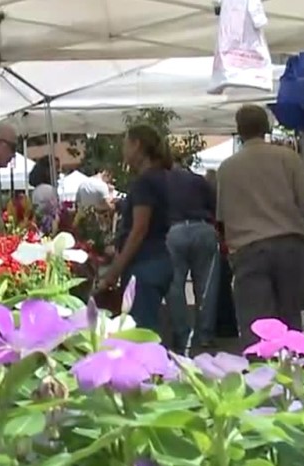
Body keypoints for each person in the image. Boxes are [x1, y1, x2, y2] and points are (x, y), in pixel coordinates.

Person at [217, 105, 304, 347]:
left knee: (256, 324)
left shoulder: (228, 167)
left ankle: (260, 375)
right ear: (267, 127)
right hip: (289, 244)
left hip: (249, 248)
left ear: (239, 130)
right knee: (290, 318)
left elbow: (223, 215)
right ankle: (292, 370)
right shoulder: (288, 158)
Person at [92, 125, 173, 333]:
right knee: (147, 327)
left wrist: (114, 271)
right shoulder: (163, 176)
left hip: (144, 263)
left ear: (137, 145)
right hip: (160, 259)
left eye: (125, 144)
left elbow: (139, 229)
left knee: (140, 332)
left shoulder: (144, 182)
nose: (123, 150)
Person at [164, 153, 220, 353]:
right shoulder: (199, 181)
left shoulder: (163, 182)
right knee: (206, 286)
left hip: (174, 231)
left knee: (175, 286)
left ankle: (182, 334)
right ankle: (205, 335)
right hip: (202, 228)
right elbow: (214, 206)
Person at [28, 157, 60, 234]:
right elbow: (55, 215)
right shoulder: (48, 190)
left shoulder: (37, 190)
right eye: (56, 169)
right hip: (48, 230)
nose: (59, 171)